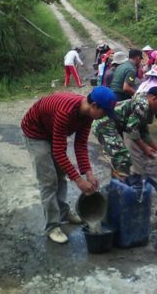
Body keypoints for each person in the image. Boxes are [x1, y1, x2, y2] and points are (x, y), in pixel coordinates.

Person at [20, 87, 117, 244]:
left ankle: (64, 213)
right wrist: (79, 180)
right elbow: (59, 152)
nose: (105, 116)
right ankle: (52, 226)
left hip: (51, 129)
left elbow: (80, 145)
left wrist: (89, 173)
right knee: (49, 180)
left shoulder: (87, 115)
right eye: (105, 112)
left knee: (60, 173)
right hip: (35, 132)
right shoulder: (66, 112)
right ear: (95, 106)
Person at [93, 86, 157, 176]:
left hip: (115, 125)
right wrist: (144, 148)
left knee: (120, 160)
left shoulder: (146, 105)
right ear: (154, 98)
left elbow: (143, 132)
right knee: (122, 158)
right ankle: (125, 185)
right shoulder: (143, 105)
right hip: (105, 124)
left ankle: (119, 185)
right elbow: (131, 130)